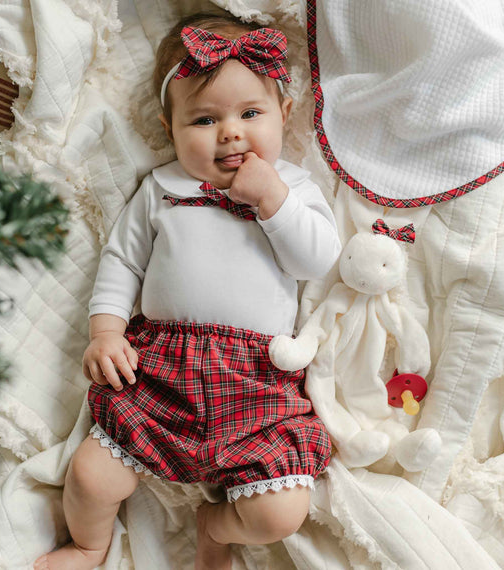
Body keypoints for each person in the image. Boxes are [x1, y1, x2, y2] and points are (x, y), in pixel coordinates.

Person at [35, 12, 341, 570]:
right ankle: (87, 545)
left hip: (256, 380)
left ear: (285, 114)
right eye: (204, 118)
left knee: (280, 514)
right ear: (168, 127)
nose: (231, 131)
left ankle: (219, 527)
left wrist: (272, 201)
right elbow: (122, 261)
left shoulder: (293, 186)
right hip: (159, 369)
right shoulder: (162, 189)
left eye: (251, 113)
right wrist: (106, 331)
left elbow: (316, 258)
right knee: (90, 474)